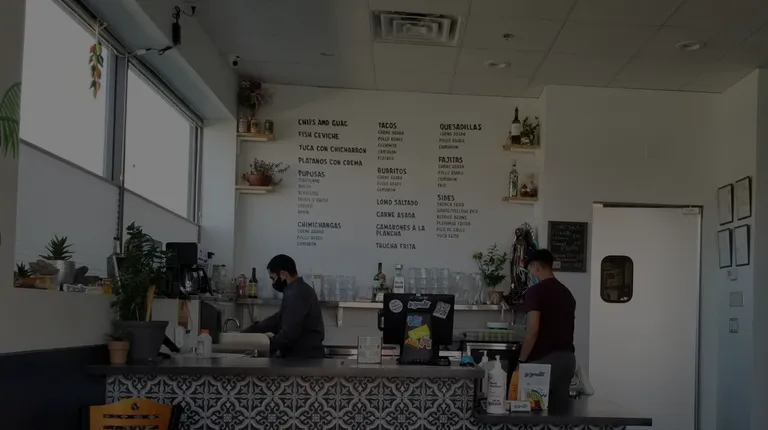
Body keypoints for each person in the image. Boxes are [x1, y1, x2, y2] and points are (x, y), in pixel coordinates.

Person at [516, 249, 576, 407]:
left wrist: (522, 361)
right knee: (559, 412)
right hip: (567, 361)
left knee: (533, 411)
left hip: (543, 362)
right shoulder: (567, 293)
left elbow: (533, 330)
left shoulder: (535, 292)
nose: (530, 275)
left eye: (530, 270)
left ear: (535, 267)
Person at [242, 254, 325, 358]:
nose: (273, 283)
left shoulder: (297, 293)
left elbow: (289, 333)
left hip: (305, 359)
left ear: (283, 274)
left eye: (273, 278)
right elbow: (277, 320)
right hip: (302, 358)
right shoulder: (295, 290)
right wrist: (252, 330)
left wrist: (267, 346)